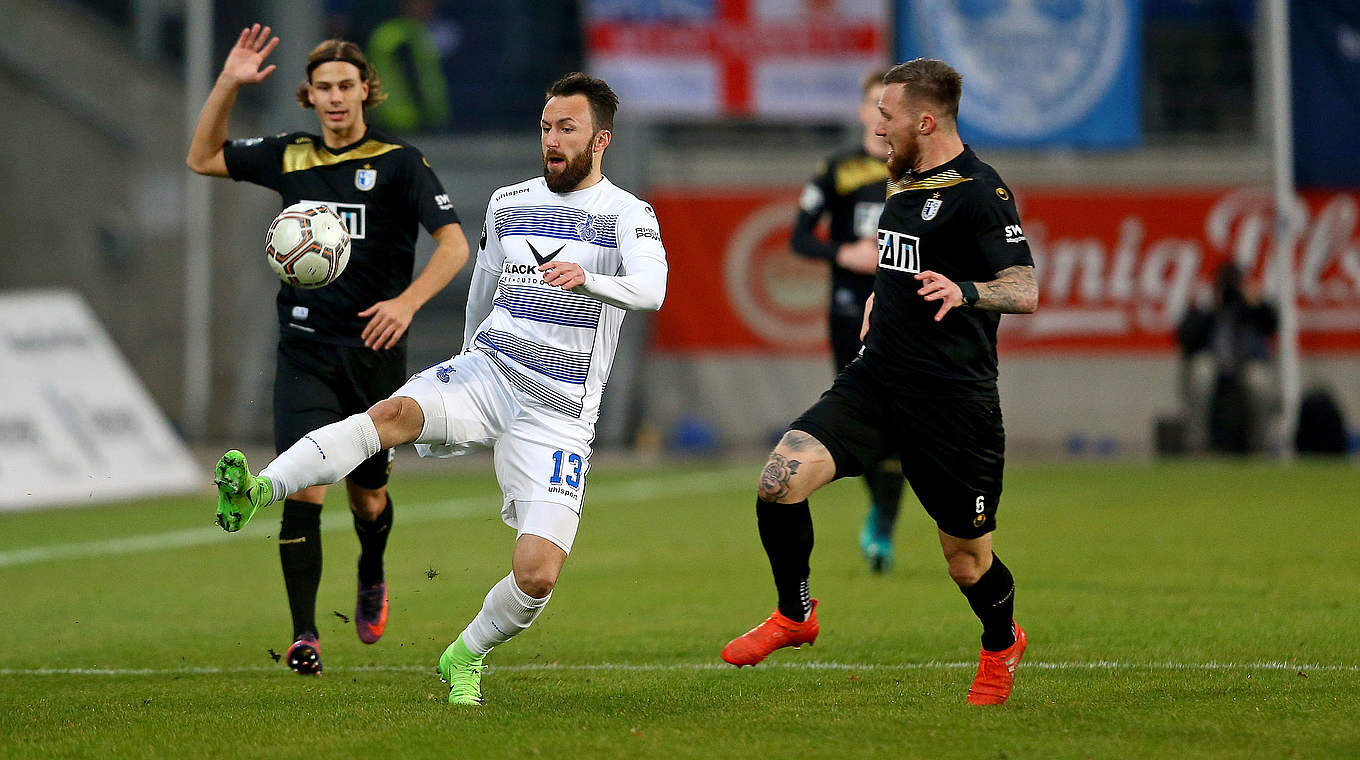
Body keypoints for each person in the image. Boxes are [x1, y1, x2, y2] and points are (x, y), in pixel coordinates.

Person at [212, 72, 668, 705]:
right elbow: (482, 290)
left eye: (568, 129)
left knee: (537, 573)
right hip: (487, 372)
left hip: (557, 414)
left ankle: (465, 654)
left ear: (602, 139)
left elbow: (652, 291)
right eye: (546, 128)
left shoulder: (628, 215)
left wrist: (587, 280)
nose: (553, 141)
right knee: (393, 412)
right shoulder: (510, 203)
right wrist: (469, 354)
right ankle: (261, 487)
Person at [721, 59, 1039, 706]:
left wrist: (967, 290)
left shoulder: (983, 191)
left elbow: (1024, 288)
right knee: (779, 482)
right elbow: (898, 267)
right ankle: (795, 613)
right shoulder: (903, 183)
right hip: (876, 381)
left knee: (967, 562)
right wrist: (879, 301)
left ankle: (1001, 642)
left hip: (953, 403)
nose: (876, 128)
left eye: (886, 116)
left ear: (925, 120)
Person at [186, 25, 469, 675]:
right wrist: (229, 80)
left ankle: (371, 570)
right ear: (307, 96)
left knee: (368, 499)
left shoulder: (400, 161)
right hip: (306, 347)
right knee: (305, 485)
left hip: (373, 356)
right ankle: (305, 635)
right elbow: (203, 158)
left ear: (366, 90)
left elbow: (454, 245)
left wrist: (406, 303)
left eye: (347, 86)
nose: (337, 98)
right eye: (324, 88)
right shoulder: (289, 157)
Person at [790, 68, 906, 573]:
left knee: (901, 423)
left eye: (890, 109)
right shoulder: (837, 170)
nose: (881, 118)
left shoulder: (920, 172)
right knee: (866, 417)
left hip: (904, 313)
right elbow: (798, 236)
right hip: (847, 312)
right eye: (874, 107)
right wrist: (844, 253)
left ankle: (882, 520)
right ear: (862, 112)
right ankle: (881, 516)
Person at [1176, 261, 1278, 453]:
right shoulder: (1207, 309)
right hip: (1216, 363)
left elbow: (1273, 324)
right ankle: (1196, 443)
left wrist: (1256, 303)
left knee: (1259, 380)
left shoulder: (1253, 310)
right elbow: (1184, 337)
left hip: (1246, 363)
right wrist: (1210, 307)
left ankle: (1261, 443)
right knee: (1201, 370)